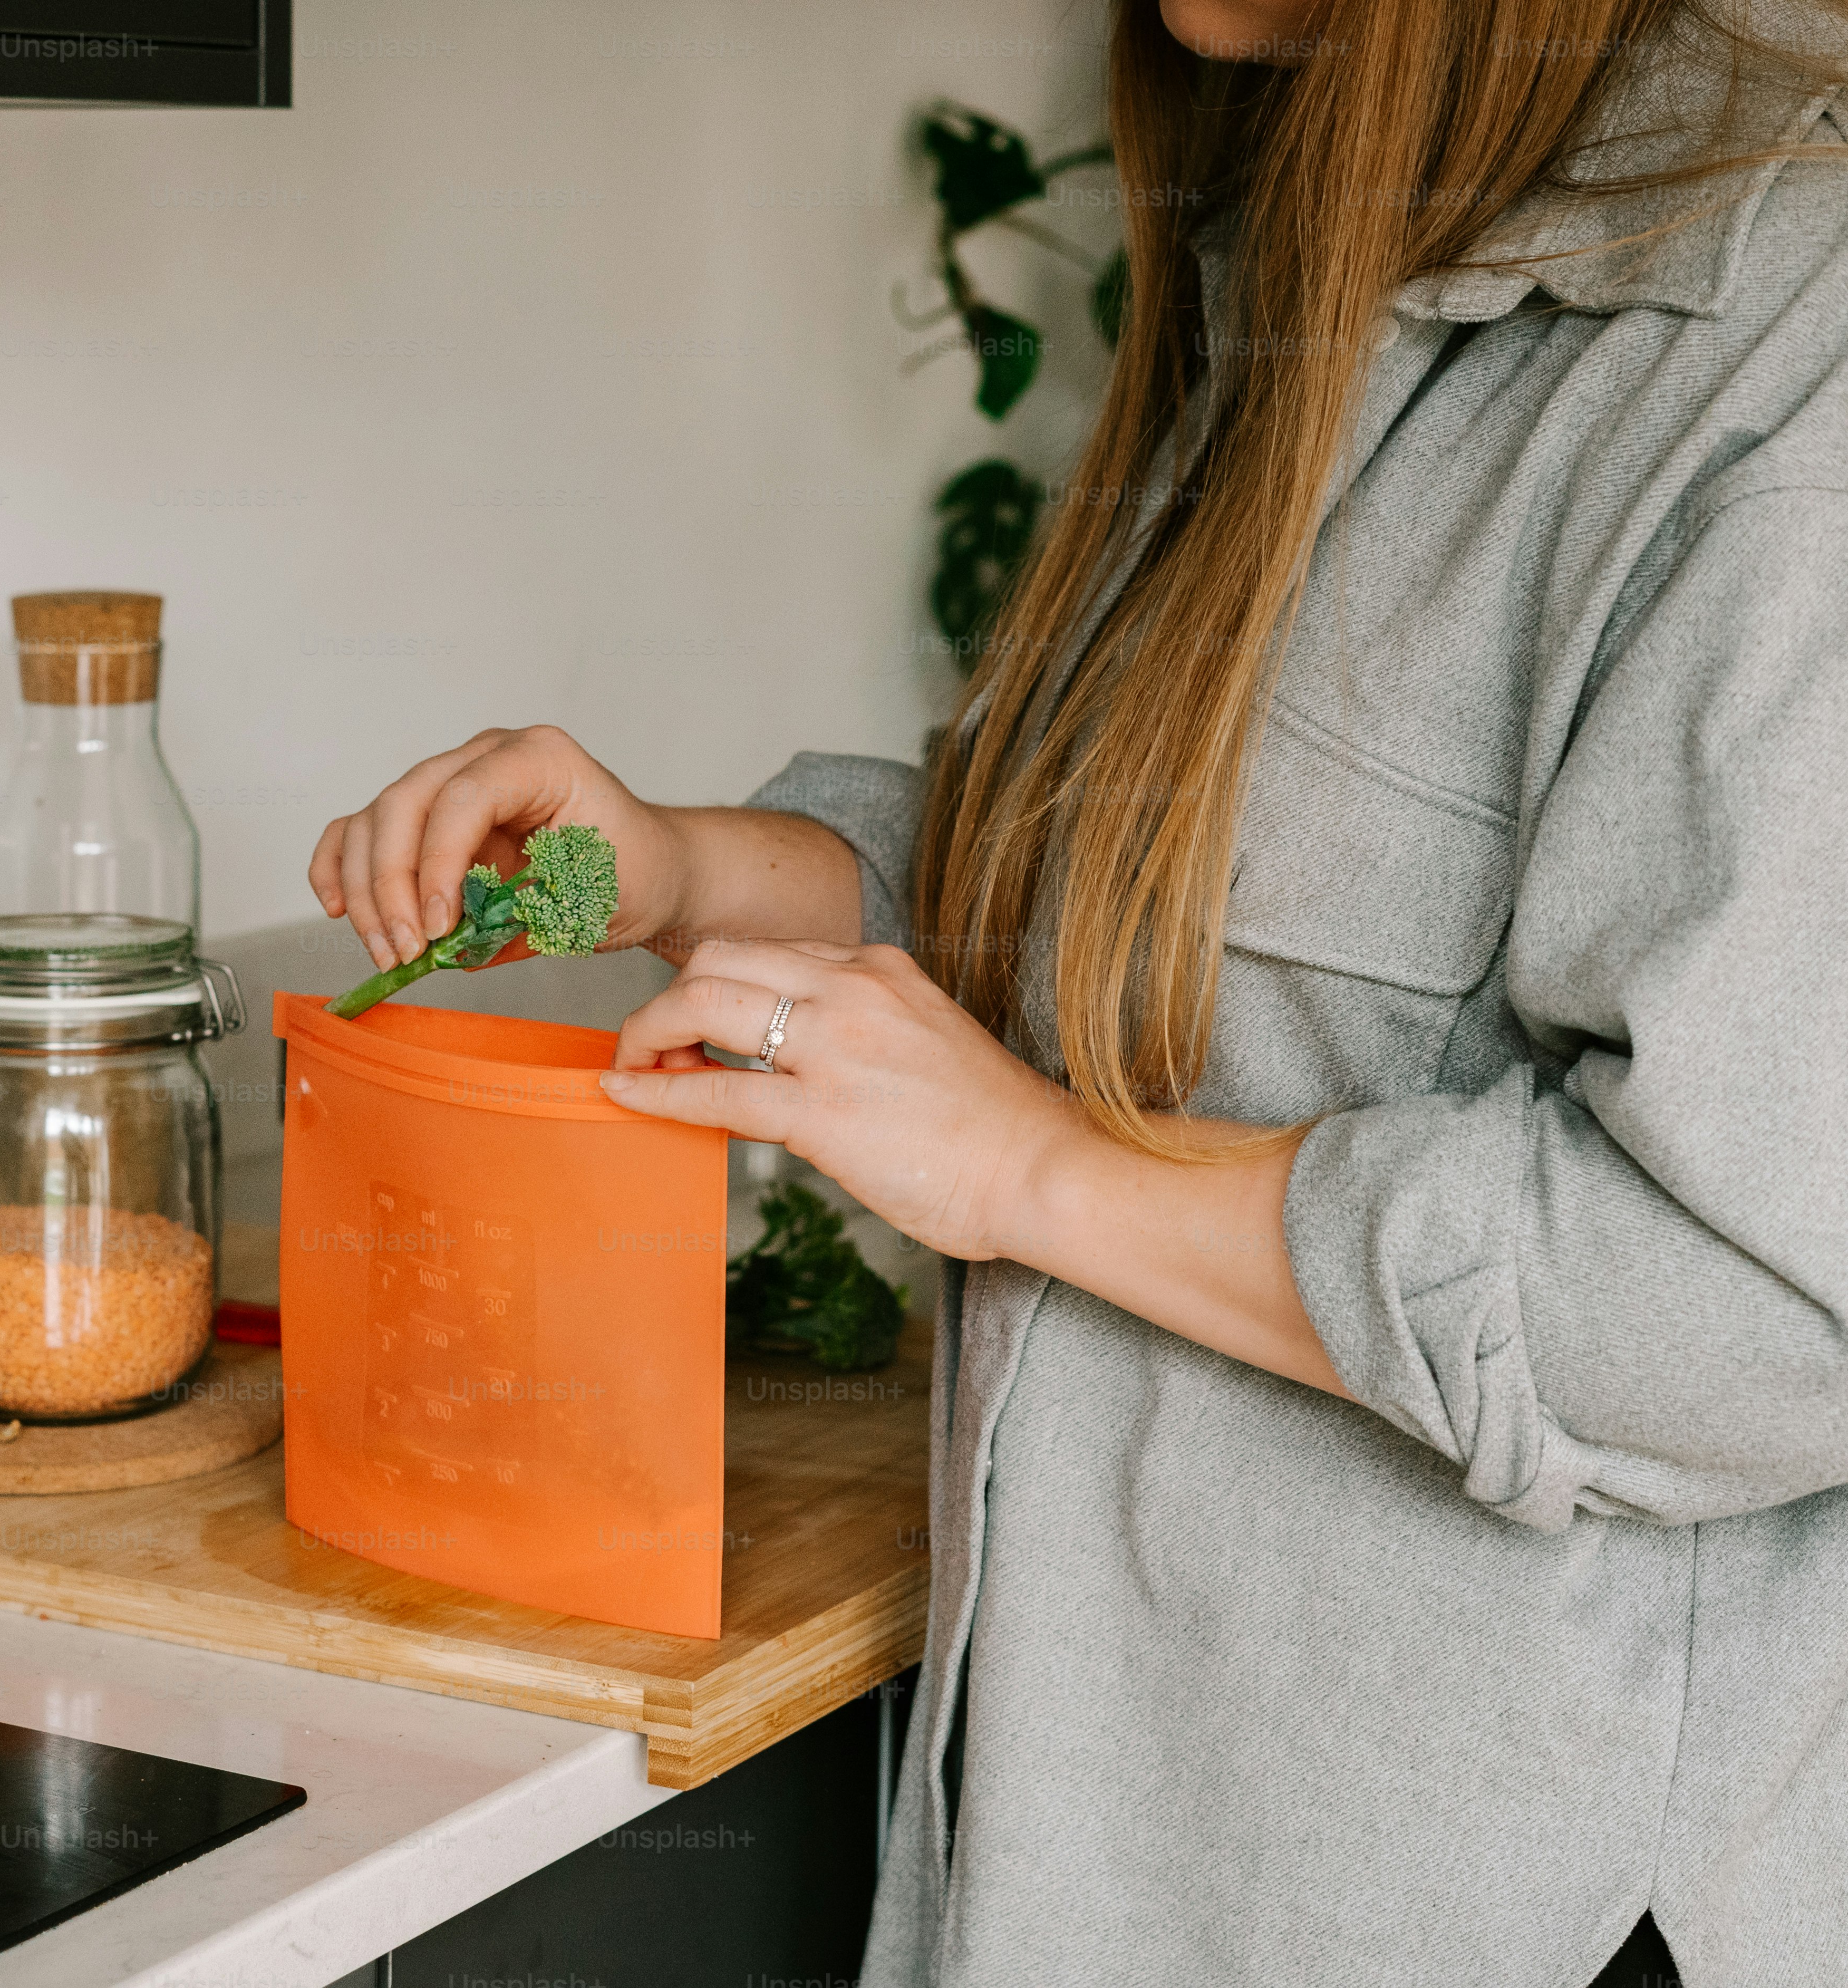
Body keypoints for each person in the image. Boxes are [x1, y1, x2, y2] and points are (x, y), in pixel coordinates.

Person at [306, 1, 1848, 1982]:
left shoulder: (1788, 352)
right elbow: (1144, 909)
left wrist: (1042, 1176)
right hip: (1112, 1855)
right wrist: (679, 871)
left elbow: (1762, 1306)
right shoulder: (1316, 220)